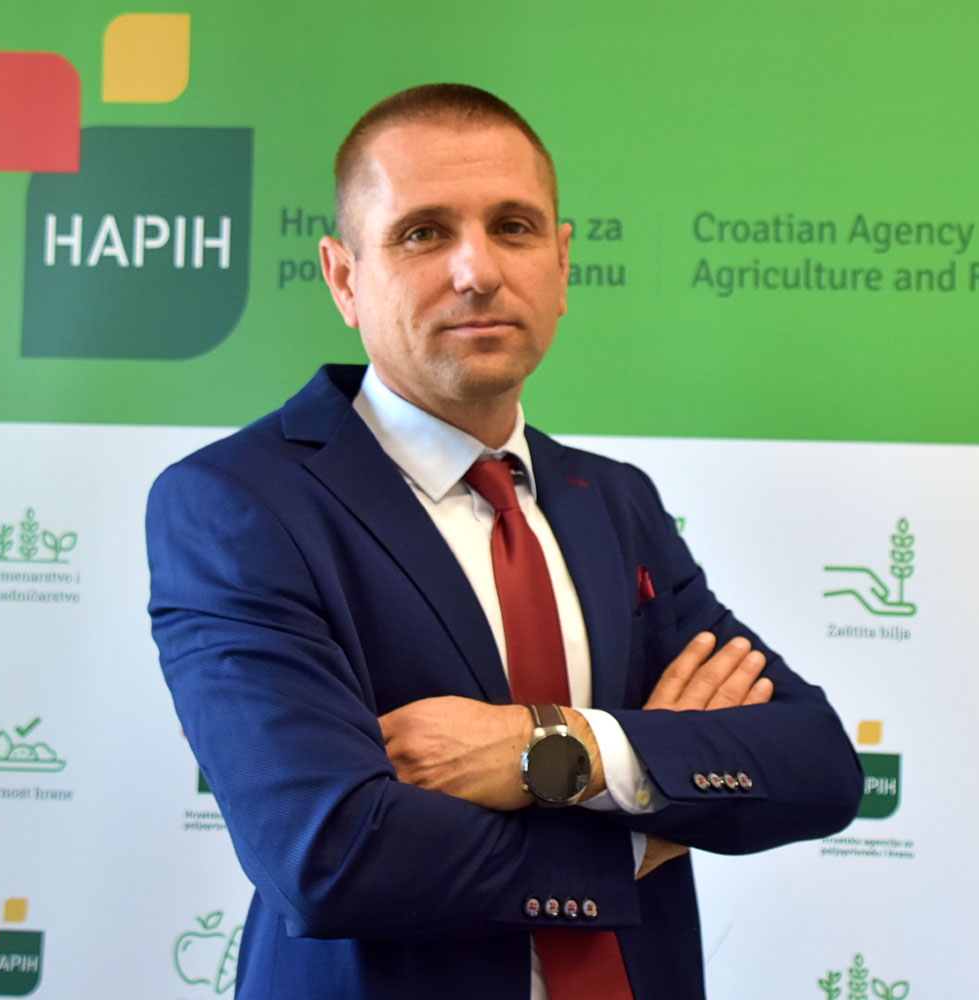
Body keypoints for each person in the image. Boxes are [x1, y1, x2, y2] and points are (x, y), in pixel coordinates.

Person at [146, 83, 861, 1000]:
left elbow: (816, 764)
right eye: (423, 233)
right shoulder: (239, 504)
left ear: (561, 266)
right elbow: (329, 853)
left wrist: (559, 748)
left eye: (513, 227)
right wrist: (645, 819)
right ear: (344, 278)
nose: (476, 270)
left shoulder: (613, 501)